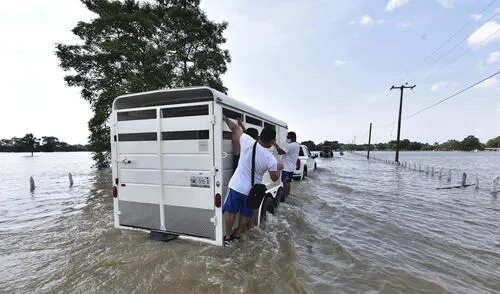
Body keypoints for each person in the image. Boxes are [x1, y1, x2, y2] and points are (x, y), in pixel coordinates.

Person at [223, 117, 283, 245]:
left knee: (231, 212)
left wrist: (224, 117)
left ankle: (228, 237)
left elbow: (234, 128)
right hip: (251, 192)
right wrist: (279, 168)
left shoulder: (246, 140)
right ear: (272, 141)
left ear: (260, 136)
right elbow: (274, 178)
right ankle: (238, 235)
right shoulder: (270, 159)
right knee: (246, 215)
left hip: (236, 186)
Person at [274, 132, 300, 200]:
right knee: (287, 182)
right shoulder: (296, 145)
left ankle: (285, 196)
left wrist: (276, 145)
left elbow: (280, 152)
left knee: (285, 182)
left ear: (292, 137)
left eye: (288, 137)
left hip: (287, 168)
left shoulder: (290, 146)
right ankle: (287, 195)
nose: (287, 139)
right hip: (290, 167)